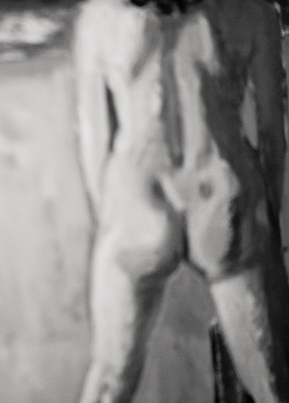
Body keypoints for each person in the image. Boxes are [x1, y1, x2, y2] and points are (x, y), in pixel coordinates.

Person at [73, 0, 289, 401]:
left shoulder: (99, 16)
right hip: (222, 191)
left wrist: (113, 218)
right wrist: (266, 223)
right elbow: (273, 137)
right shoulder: (254, 11)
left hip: (138, 199)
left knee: (109, 378)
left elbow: (94, 143)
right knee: (275, 389)